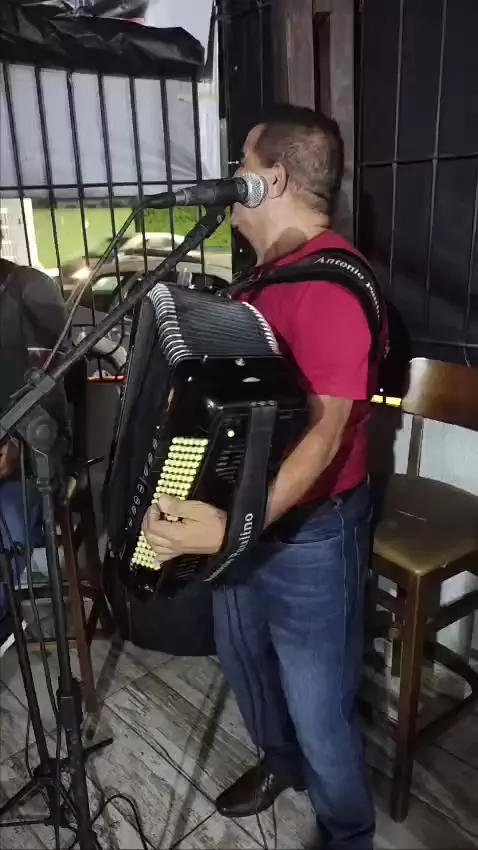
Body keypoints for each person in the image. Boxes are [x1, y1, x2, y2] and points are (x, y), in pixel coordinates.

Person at [142, 105, 386, 850]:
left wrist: (233, 526)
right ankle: (281, 764)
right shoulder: (265, 278)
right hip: (246, 515)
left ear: (270, 180)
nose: (230, 179)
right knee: (244, 658)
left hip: (311, 531)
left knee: (319, 705)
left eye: (240, 166)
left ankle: (347, 832)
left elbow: (324, 434)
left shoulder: (333, 286)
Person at [0, 255, 67, 657]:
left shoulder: (30, 290)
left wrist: (19, 447)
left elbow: (53, 393)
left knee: (9, 523)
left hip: (32, 453)